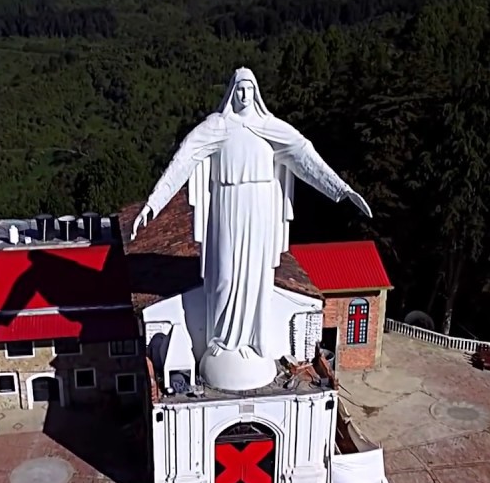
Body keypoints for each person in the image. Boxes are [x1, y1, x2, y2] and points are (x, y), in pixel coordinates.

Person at [132, 67, 372, 391]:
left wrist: (342, 190)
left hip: (259, 210)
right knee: (226, 276)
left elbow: (306, 158)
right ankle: (222, 341)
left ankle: (251, 341)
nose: (244, 96)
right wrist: (152, 204)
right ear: (231, 93)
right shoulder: (217, 127)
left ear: (256, 93)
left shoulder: (269, 128)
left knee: (255, 276)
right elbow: (182, 161)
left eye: (249, 89)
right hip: (227, 208)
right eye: (239, 90)